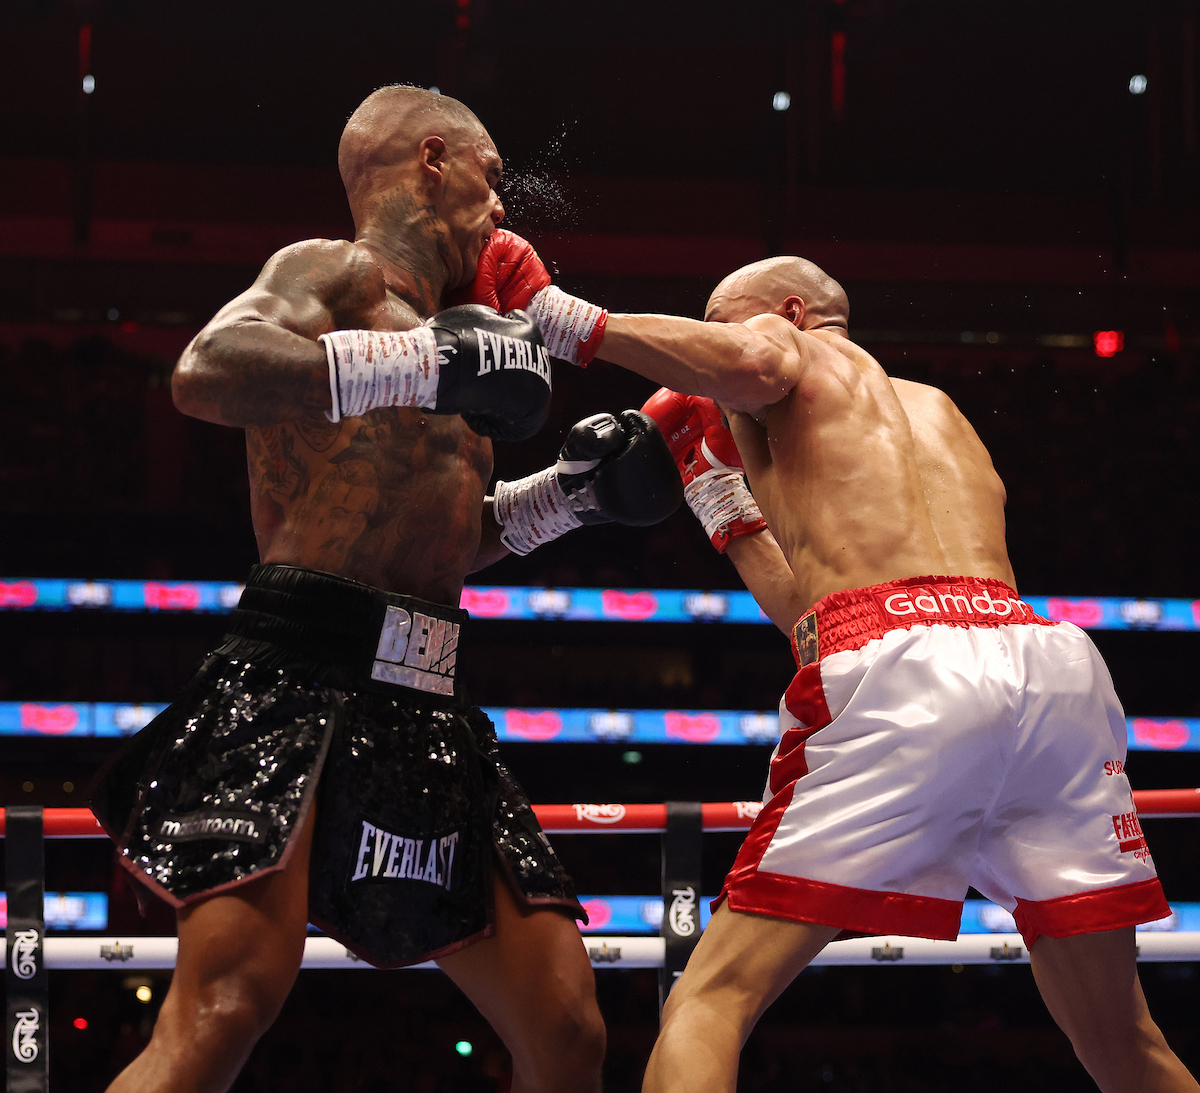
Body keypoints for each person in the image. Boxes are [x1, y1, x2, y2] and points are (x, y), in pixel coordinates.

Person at [455, 233, 1196, 1092]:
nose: (715, 357)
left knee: (709, 998)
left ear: (794, 317)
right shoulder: (935, 413)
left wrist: (565, 320)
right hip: (1047, 672)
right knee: (1121, 1040)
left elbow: (750, 363)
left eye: (721, 330)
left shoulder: (791, 348)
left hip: (913, 672)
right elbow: (815, 617)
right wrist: (718, 494)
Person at [88, 85, 681, 1093]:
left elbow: (445, 535)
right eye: (493, 180)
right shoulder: (334, 275)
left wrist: (565, 501)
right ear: (433, 161)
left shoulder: (469, 339)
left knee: (566, 1024)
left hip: (430, 689)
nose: (504, 208)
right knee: (227, 1005)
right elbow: (206, 370)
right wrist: (419, 360)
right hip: (298, 668)